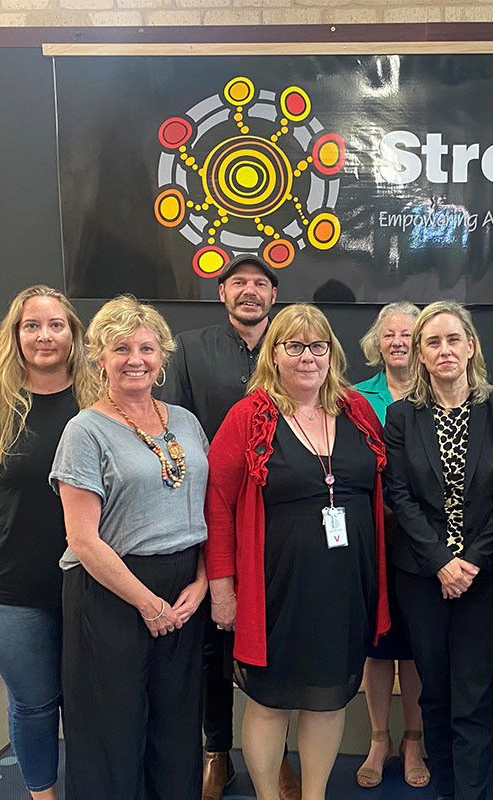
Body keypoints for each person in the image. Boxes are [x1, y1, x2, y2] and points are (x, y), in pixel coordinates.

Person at [204, 303, 390, 800]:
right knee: (269, 702)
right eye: (294, 346)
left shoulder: (358, 410)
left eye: (318, 346)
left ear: (331, 353)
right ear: (275, 354)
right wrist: (222, 587)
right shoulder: (249, 417)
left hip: (345, 584)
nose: (307, 357)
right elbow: (217, 504)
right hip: (275, 587)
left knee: (328, 700)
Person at [0, 286, 100, 800]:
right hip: (7, 587)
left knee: (87, 699)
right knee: (34, 700)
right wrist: (7, 518)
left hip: (91, 582)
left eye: (56, 325)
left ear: (74, 334)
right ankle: (43, 795)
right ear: (16, 335)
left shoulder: (102, 399)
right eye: (33, 326)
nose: (45, 336)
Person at [51, 296, 211, 800]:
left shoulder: (185, 421)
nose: (135, 359)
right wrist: (146, 601)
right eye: (121, 348)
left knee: (178, 722)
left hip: (184, 589)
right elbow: (82, 539)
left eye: (146, 347)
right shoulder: (85, 431)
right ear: (100, 357)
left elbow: (207, 511)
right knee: (110, 728)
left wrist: (202, 583)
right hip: (111, 592)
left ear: (162, 356)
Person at [156, 253, 290, 800]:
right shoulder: (189, 350)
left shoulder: (294, 345)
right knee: (215, 638)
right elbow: (175, 433)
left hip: (282, 518)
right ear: (223, 293)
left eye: (260, 283)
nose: (250, 291)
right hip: (211, 515)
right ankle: (217, 751)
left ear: (273, 296)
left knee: (279, 637)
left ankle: (275, 756)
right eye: (239, 283)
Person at [384, 300, 493, 800]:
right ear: (420, 354)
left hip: (486, 577)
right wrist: (442, 561)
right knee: (436, 693)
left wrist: (470, 563)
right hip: (422, 576)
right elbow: (397, 492)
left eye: (452, 339)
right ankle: (446, 788)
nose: (444, 350)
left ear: (471, 346)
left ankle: (471, 792)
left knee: (475, 695)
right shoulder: (402, 416)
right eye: (432, 342)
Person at [353, 302, 431, 790]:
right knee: (378, 647)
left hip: (426, 541)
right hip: (374, 537)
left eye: (408, 334)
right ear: (377, 342)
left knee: (417, 646)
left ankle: (414, 740)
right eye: (390, 334)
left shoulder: (439, 395)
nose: (399, 342)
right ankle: (380, 738)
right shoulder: (355, 398)